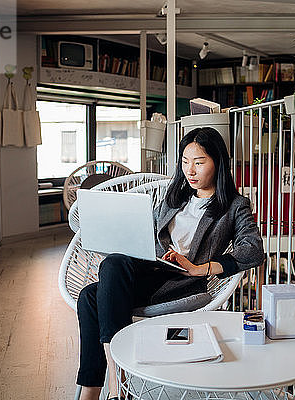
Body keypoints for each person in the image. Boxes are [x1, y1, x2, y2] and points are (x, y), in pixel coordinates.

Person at [76, 127, 264, 400]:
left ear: (218, 163)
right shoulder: (175, 197)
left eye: (199, 163)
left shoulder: (234, 206)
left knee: (90, 296)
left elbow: (253, 251)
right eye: (185, 162)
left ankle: (104, 388)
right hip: (146, 268)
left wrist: (200, 268)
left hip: (180, 280)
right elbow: (146, 231)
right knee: (112, 265)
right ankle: (113, 385)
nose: (191, 170)